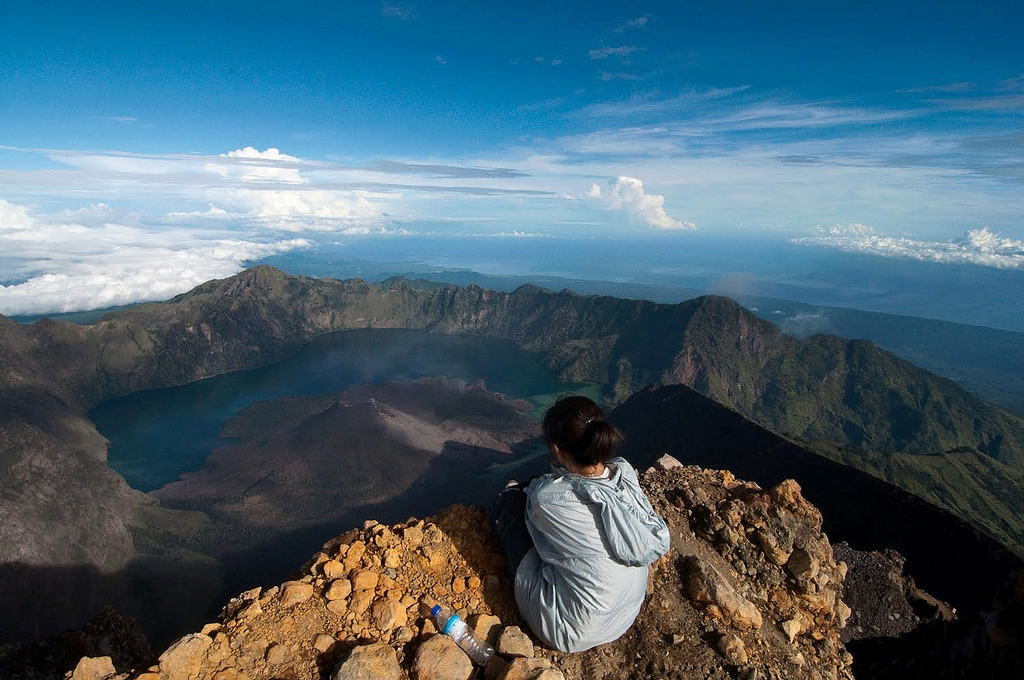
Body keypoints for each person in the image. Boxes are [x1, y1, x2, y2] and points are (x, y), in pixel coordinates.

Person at [489, 395, 670, 653]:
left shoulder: (550, 499)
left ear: (558, 450)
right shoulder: (625, 474)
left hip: (569, 629)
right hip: (624, 615)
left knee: (508, 504)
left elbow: (535, 513)